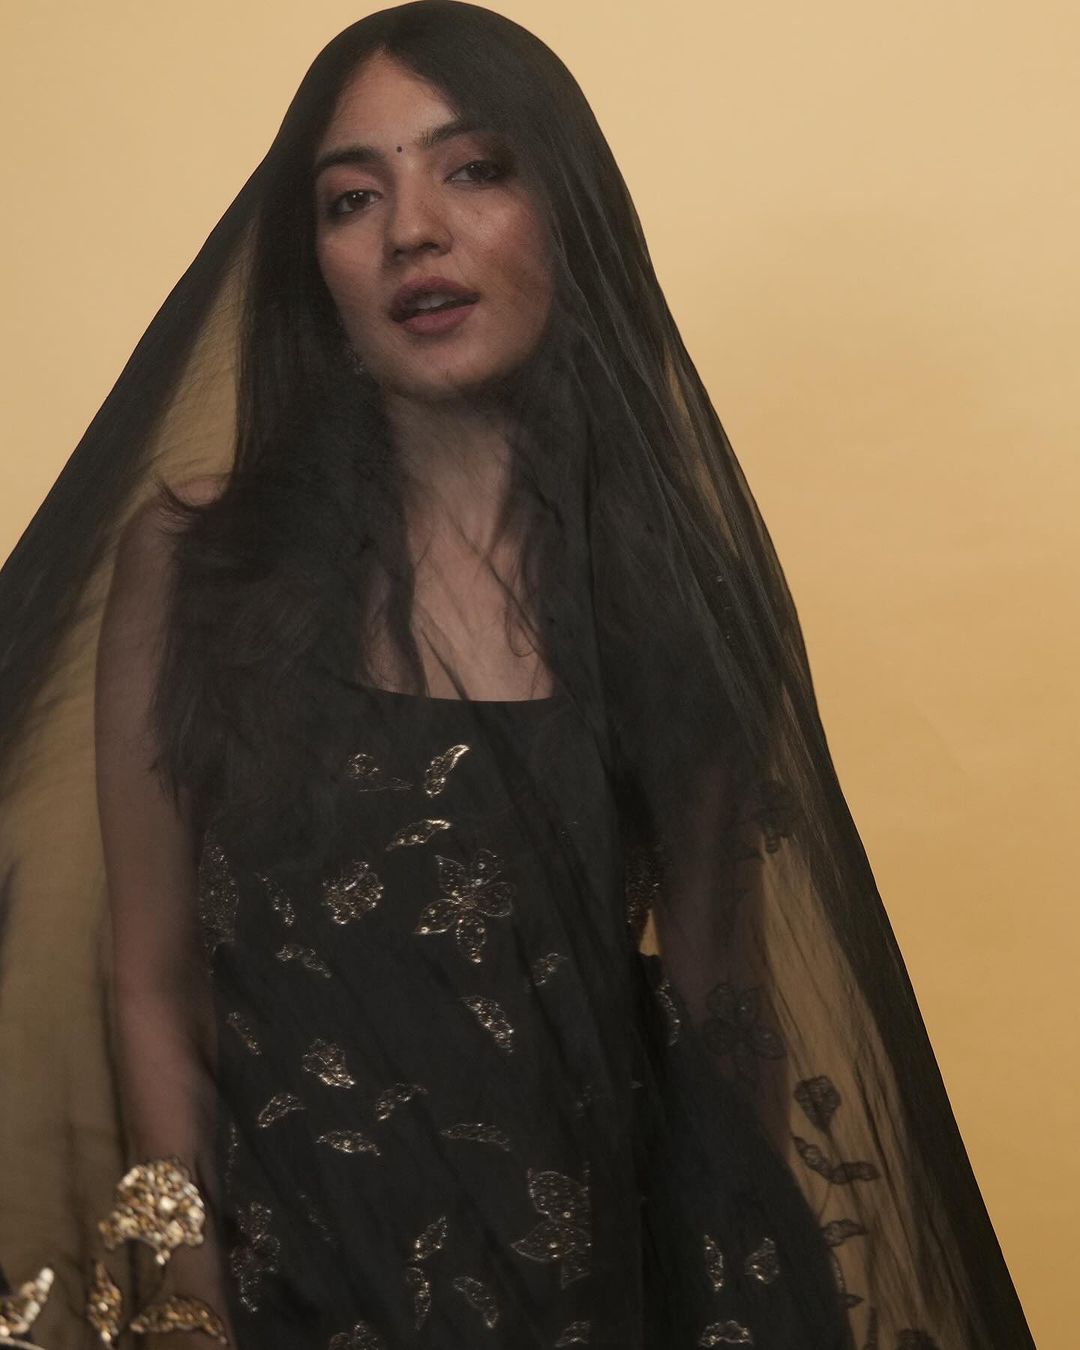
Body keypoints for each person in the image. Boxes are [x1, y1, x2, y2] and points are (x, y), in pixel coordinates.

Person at [0, 4, 1036, 1348]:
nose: (412, 230)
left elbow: (725, 1007)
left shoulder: (670, 605)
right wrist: (194, 1294)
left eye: (474, 169)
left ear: (566, 217)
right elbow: (150, 976)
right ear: (315, 266)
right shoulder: (200, 564)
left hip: (608, 1287)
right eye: (353, 198)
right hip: (287, 1286)